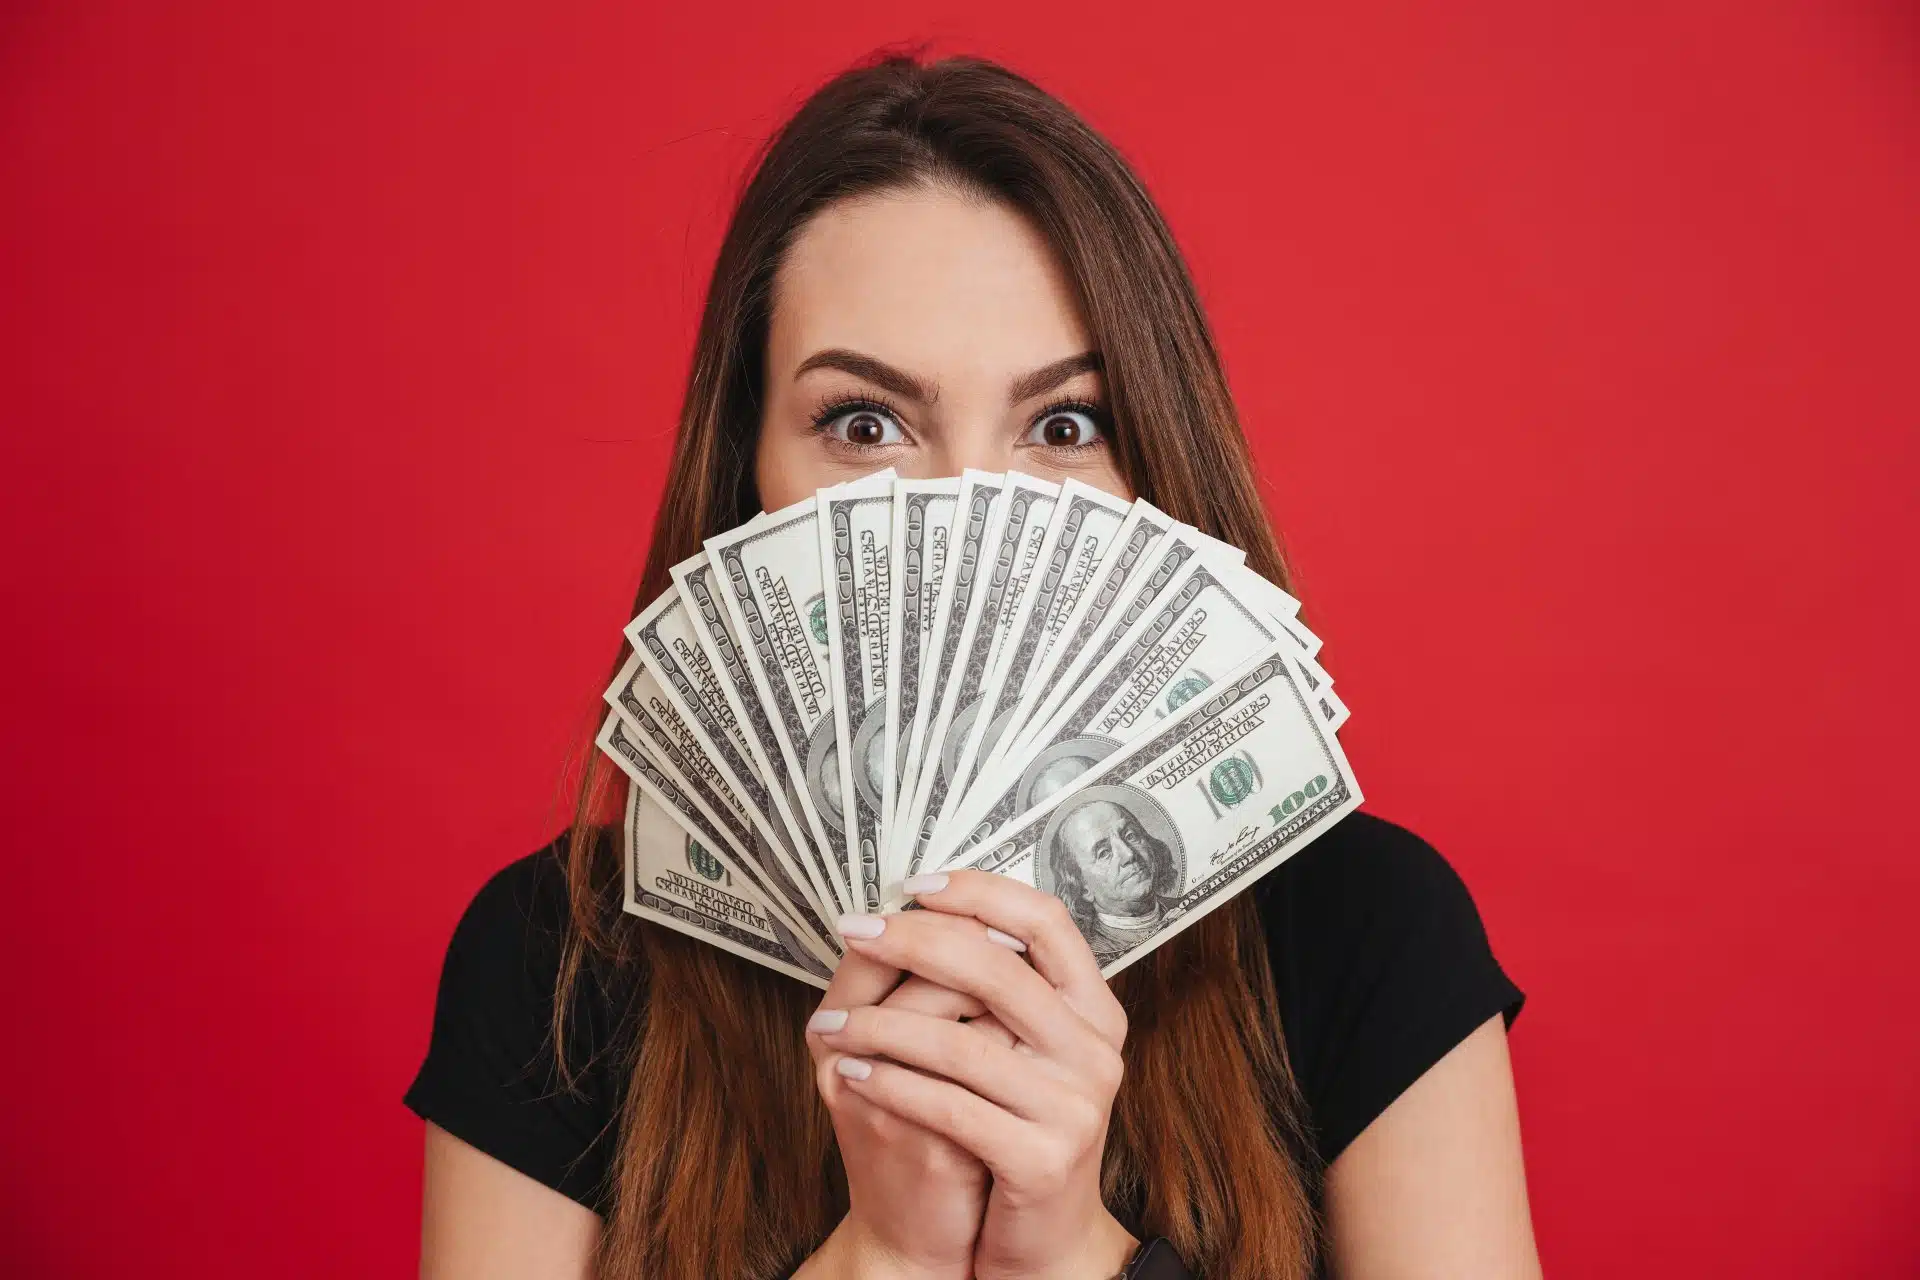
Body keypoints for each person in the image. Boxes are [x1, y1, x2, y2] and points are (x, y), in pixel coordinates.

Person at [406, 54, 1539, 1280]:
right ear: (746, 480)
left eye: (1062, 426)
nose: (959, 521)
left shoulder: (1366, 928)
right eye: (864, 423)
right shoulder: (556, 963)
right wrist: (881, 1257)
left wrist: (1071, 1254)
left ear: (1150, 471)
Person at [1043, 791, 1183, 964]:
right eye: (1104, 853)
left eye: (1130, 835)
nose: (1129, 854)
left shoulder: (1185, 905)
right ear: (1083, 887)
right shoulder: (1088, 956)